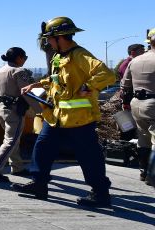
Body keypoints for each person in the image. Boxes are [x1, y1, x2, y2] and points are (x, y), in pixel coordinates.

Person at [11, 17, 116, 207]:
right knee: (42, 148)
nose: (47, 42)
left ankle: (101, 194)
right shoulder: (59, 57)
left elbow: (107, 74)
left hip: (80, 120)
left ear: (60, 37)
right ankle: (39, 185)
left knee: (89, 156)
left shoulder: (80, 55)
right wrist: (35, 84)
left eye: (50, 38)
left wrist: (89, 85)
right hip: (57, 116)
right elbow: (55, 80)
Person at [0, 47, 33, 182]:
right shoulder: (19, 71)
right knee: (11, 140)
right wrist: (40, 110)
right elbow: (26, 92)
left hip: (0, 109)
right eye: (25, 57)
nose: (25, 60)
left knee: (12, 139)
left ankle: (17, 167)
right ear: (19, 58)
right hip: (14, 110)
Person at [120, 29, 155, 186]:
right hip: (153, 103)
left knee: (143, 138)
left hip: (137, 104)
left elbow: (124, 85)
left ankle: (144, 171)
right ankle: (152, 175)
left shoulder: (136, 60)